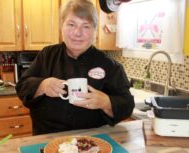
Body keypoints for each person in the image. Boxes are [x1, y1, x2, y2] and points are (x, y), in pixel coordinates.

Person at [15, 0, 135, 135]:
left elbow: (127, 105)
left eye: (86, 26)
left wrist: (106, 102)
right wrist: (42, 85)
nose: (78, 33)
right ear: (62, 27)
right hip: (47, 139)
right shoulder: (47, 55)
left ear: (95, 31)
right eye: (71, 24)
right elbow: (22, 86)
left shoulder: (109, 65)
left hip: (93, 140)